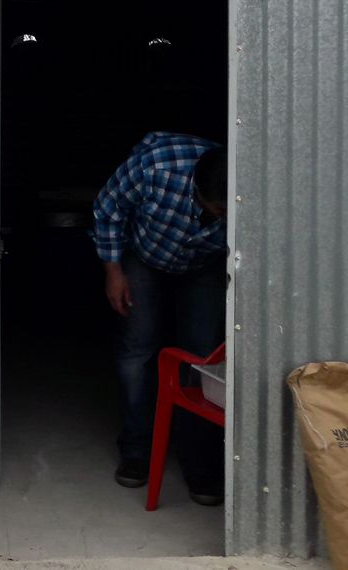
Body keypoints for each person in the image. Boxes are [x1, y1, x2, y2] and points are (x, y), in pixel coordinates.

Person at [91, 131, 228, 506]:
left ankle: (199, 460)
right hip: (145, 256)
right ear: (196, 191)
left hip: (205, 266)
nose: (223, 217)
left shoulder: (241, 187)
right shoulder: (155, 167)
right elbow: (107, 209)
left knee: (202, 359)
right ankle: (136, 451)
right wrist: (113, 272)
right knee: (137, 351)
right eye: (218, 211)